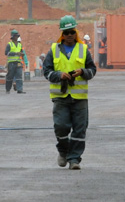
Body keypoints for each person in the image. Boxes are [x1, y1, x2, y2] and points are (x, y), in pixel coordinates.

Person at [42, 15, 97, 170]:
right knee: (61, 126)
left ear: (76, 32)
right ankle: (63, 151)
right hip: (60, 97)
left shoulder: (83, 49)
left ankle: (74, 159)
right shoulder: (53, 50)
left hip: (79, 97)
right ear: (62, 34)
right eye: (66, 33)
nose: (70, 35)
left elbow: (93, 70)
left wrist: (83, 72)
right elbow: (46, 71)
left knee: (80, 129)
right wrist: (59, 75)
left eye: (72, 32)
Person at [5, 29, 28, 94]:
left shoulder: (20, 45)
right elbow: (6, 53)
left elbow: (21, 52)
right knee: (10, 76)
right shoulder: (9, 44)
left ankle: (19, 89)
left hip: (18, 63)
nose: (17, 37)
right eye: (15, 36)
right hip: (11, 63)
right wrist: (15, 53)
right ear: (12, 37)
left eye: (17, 36)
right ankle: (8, 89)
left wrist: (22, 54)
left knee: (19, 76)